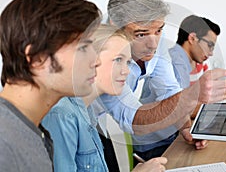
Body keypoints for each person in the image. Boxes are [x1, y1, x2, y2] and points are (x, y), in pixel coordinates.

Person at [93, 0, 226, 164]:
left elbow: (169, 90)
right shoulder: (102, 51)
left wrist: (186, 128)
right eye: (140, 34)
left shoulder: (152, 34)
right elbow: (134, 120)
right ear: (114, 25)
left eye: (158, 31)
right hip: (80, 120)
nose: (153, 44)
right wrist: (191, 95)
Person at [0, 0, 101, 172]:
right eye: (83, 48)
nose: (97, 60)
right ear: (37, 58)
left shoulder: (32, 130)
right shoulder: (5, 145)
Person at [42, 25, 168, 172]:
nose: (126, 71)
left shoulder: (88, 111)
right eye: (118, 60)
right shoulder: (62, 115)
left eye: (127, 62)